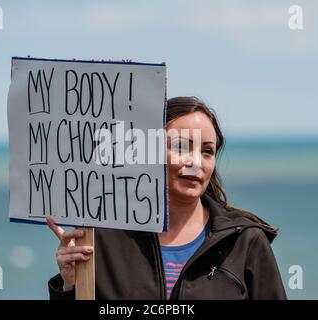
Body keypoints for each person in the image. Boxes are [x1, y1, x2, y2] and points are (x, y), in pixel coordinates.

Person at [46, 96, 287, 300]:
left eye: (207, 151)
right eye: (181, 147)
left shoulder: (245, 240)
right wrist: (70, 286)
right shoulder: (101, 239)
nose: (195, 163)